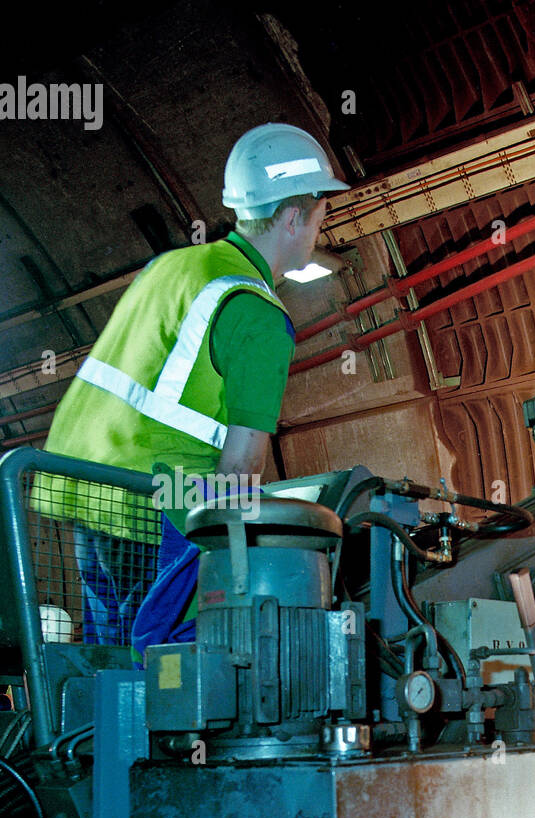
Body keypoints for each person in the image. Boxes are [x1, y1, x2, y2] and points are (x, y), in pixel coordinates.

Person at [34, 123, 347, 654]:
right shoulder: (258, 315)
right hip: (160, 504)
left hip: (86, 490)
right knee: (175, 666)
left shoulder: (173, 266)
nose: (319, 230)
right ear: (294, 217)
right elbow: (242, 468)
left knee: (113, 662)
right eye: (320, 216)